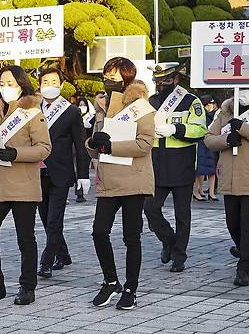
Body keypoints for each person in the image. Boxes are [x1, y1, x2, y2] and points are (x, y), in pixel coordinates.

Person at [0, 65, 51, 306]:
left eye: (10, 84)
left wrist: (14, 153)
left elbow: (44, 148)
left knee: (25, 238)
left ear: (21, 85)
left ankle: (27, 286)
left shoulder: (32, 112)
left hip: (23, 184)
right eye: (2, 83)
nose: (5, 88)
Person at [87, 57, 155, 310]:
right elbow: (96, 144)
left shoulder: (141, 106)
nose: (108, 80)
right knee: (99, 232)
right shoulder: (101, 105)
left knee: (131, 237)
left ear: (127, 78)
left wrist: (110, 146)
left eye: (114, 76)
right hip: (107, 179)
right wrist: (93, 144)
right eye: (106, 75)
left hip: (133, 179)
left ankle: (131, 288)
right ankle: (110, 280)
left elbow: (145, 143)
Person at [204, 88, 249, 286]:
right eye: (242, 88)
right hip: (230, 180)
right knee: (233, 224)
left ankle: (244, 268)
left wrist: (244, 128)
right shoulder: (225, 112)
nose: (245, 92)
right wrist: (227, 140)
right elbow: (209, 139)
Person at [143, 62, 208, 273]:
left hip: (181, 162)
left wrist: (175, 128)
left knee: (183, 214)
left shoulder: (190, 101)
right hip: (156, 162)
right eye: (158, 81)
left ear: (176, 80)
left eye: (166, 80)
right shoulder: (149, 102)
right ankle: (168, 240)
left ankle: (179, 255)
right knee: (150, 208)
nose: (161, 84)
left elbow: (200, 130)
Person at [36, 67, 90, 278]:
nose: (49, 85)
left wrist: (83, 175)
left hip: (60, 172)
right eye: (45, 81)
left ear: (61, 84)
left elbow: (80, 145)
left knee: (54, 220)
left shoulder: (71, 111)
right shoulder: (33, 109)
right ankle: (63, 254)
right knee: (44, 218)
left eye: (54, 81)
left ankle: (46, 262)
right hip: (37, 172)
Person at [195, 95, 219, 201]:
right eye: (210, 104)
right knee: (200, 169)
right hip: (201, 142)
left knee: (212, 168)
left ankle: (211, 192)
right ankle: (197, 190)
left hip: (211, 142)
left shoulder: (215, 115)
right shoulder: (200, 114)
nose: (212, 106)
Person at [75, 96, 96, 203]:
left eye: (84, 105)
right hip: (75, 147)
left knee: (83, 170)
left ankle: (81, 193)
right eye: (80, 105)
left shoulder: (91, 117)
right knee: (76, 170)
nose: (82, 107)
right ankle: (78, 192)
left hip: (86, 147)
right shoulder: (74, 116)